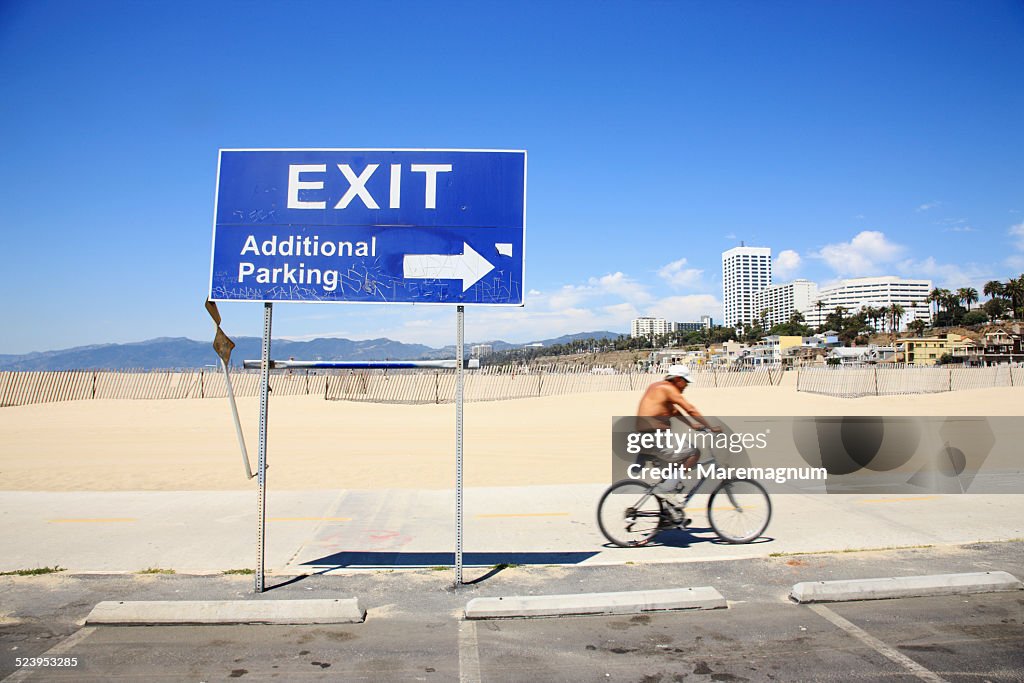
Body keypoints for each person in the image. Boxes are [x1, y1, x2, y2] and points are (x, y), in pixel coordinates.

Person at [635, 364, 722, 492]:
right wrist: (711, 428)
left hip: (645, 437)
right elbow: (690, 409)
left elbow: (674, 412)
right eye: (685, 381)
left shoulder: (656, 387)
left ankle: (666, 501)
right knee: (694, 453)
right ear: (677, 379)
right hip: (657, 438)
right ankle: (666, 488)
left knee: (671, 474)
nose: (686, 385)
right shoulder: (668, 389)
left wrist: (692, 425)